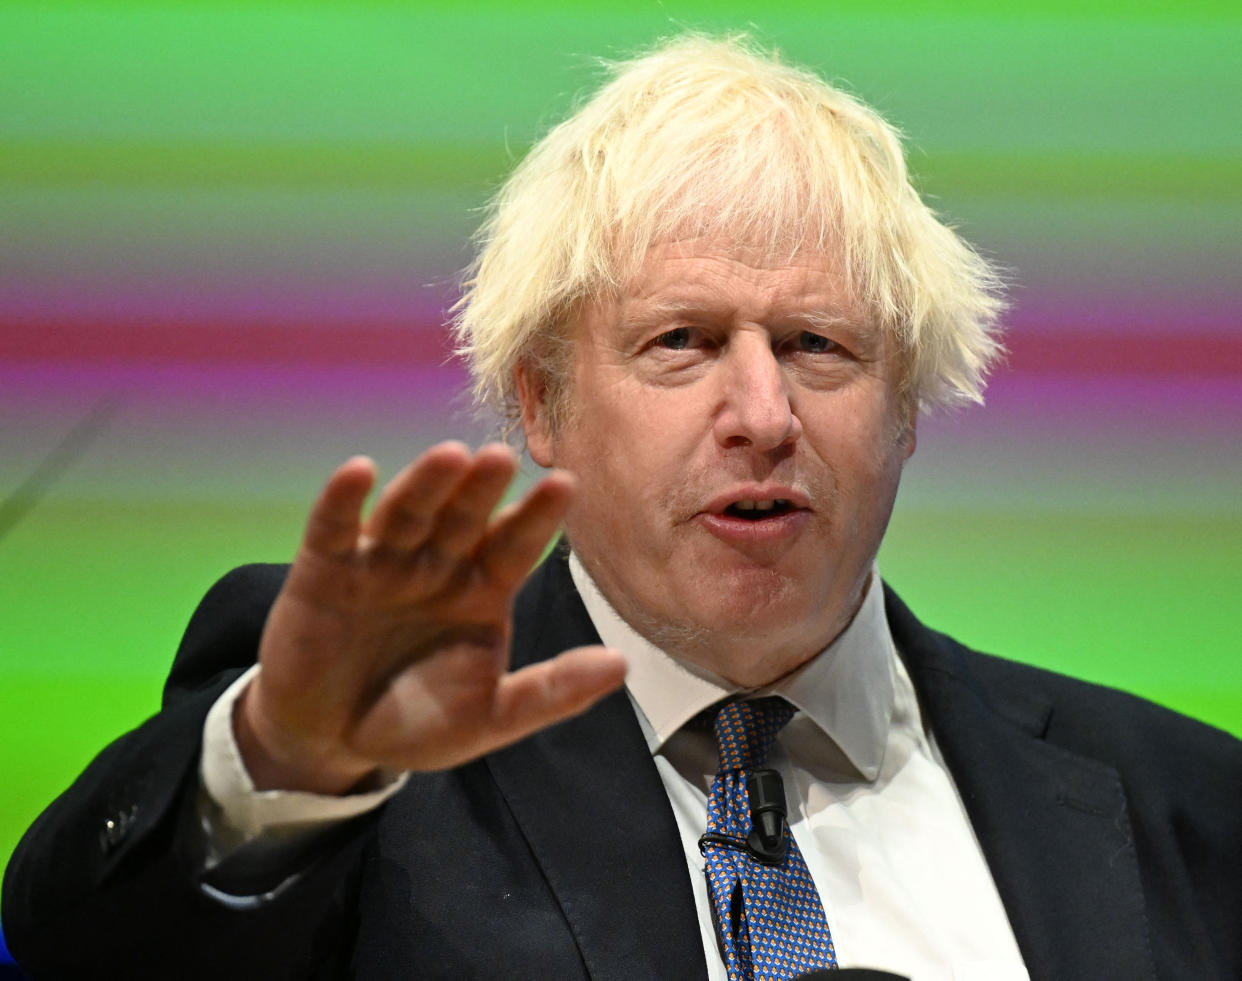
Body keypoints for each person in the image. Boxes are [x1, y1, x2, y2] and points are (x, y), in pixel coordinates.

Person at [4, 34, 1240, 981]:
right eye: (682, 342)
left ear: (907, 408)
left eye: (819, 345)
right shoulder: (360, 758)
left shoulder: (1190, 804)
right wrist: (283, 762)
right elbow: (83, 947)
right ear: (540, 401)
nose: (762, 411)